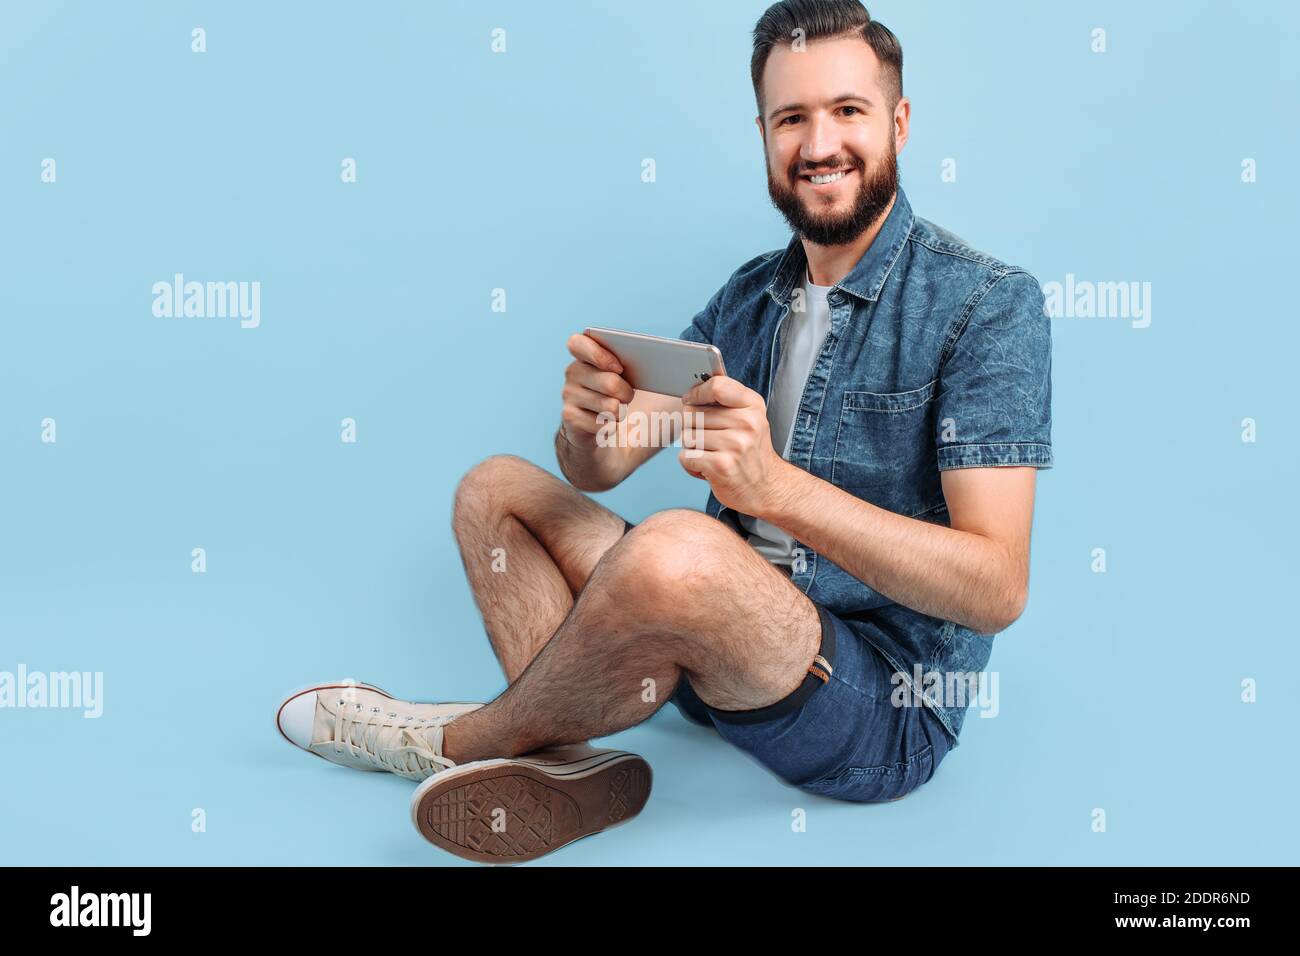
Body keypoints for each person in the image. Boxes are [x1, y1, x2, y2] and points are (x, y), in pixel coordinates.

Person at [276, 0, 1053, 865]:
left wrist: (777, 492)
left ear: (898, 123)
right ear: (763, 133)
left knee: (680, 545)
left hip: (872, 705)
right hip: (709, 658)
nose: (819, 142)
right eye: (792, 117)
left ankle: (449, 742)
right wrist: (587, 425)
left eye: (847, 110)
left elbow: (998, 587)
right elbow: (604, 464)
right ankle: (564, 766)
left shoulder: (988, 306)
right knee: (495, 491)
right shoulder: (751, 295)